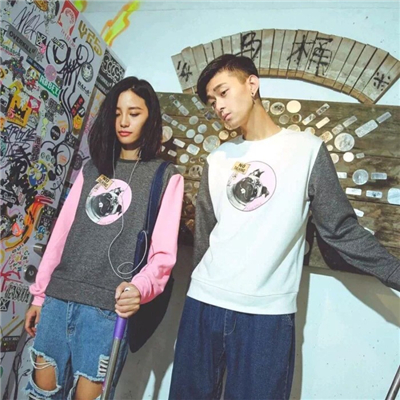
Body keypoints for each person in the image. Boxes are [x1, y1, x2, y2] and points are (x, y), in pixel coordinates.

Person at [168, 54, 400, 400]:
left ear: (252, 84)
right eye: (212, 101)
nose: (218, 106)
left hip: (267, 314)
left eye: (223, 92)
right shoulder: (217, 160)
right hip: (204, 301)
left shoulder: (306, 151)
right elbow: (205, 237)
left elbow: (341, 230)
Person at [24, 76, 184, 400]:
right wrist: (40, 296)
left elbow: (163, 256)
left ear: (150, 118)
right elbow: (61, 235)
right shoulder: (91, 168)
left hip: (107, 311)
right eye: (117, 113)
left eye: (134, 113)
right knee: (41, 395)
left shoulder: (165, 176)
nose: (124, 122)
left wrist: (139, 288)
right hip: (58, 300)